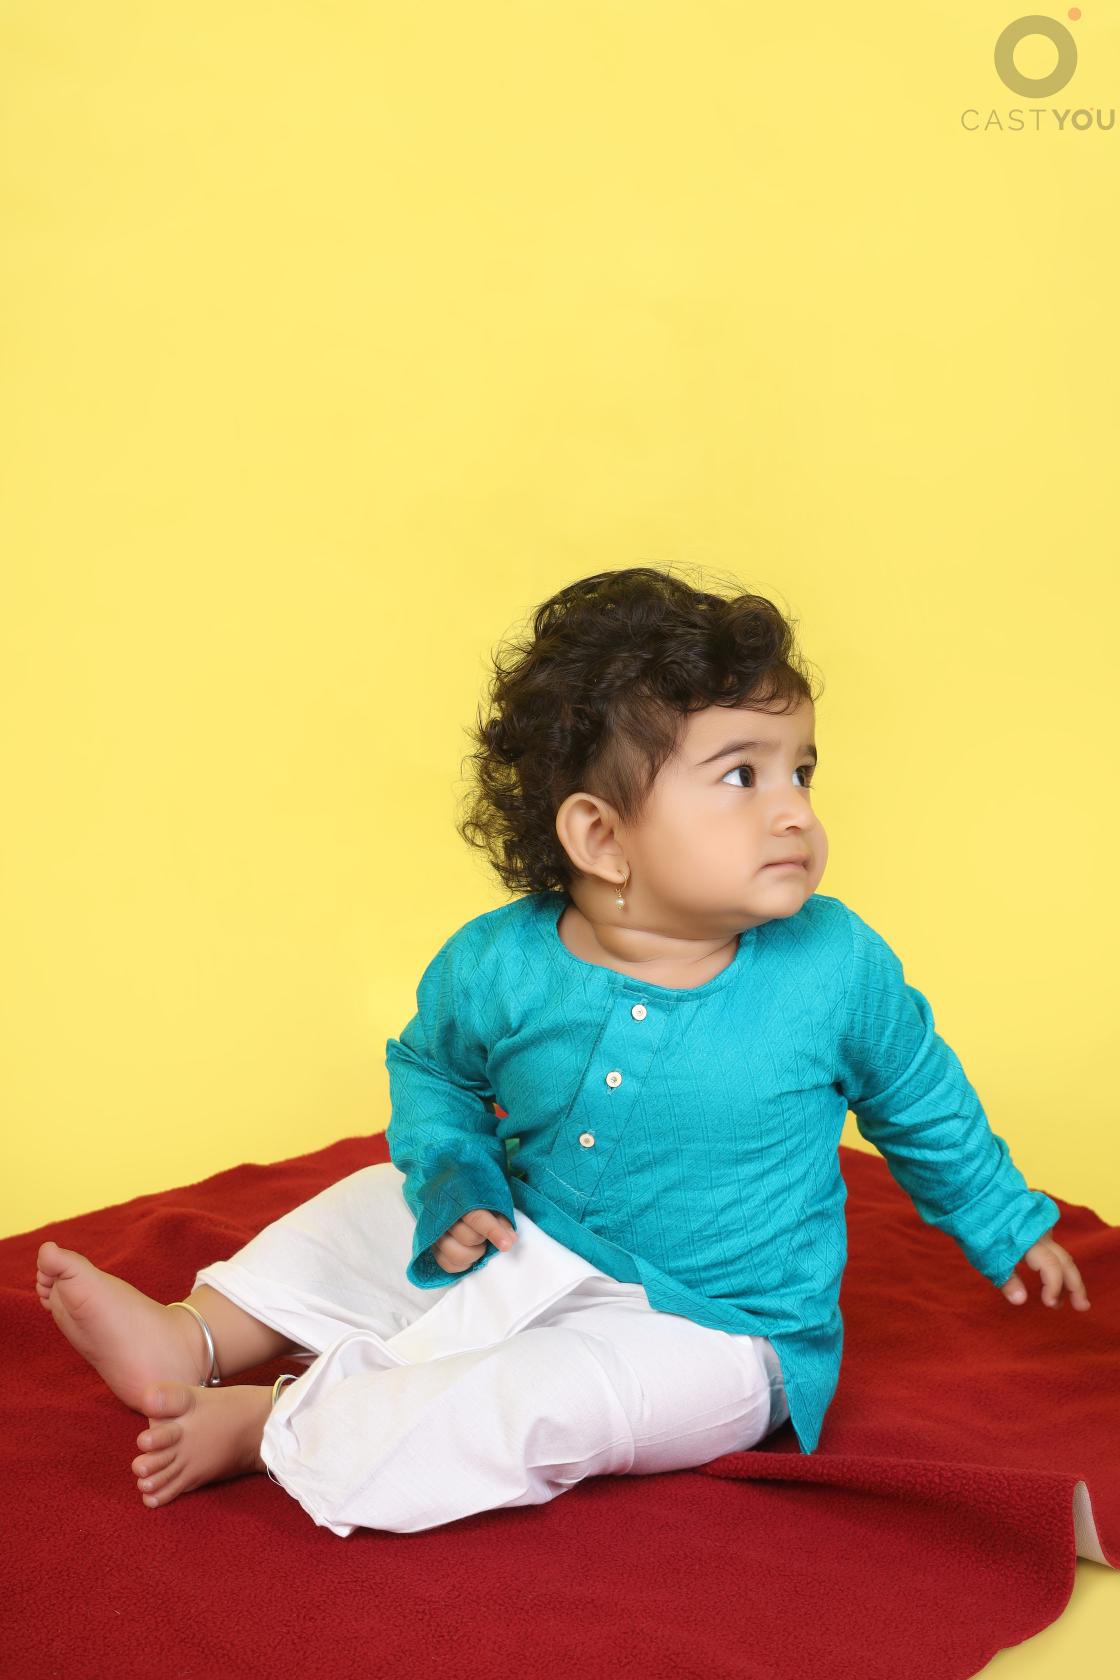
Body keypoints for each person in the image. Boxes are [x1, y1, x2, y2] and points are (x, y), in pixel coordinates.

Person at [36, 565, 1091, 1536]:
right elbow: (434, 1073)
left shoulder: (835, 965)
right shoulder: (500, 963)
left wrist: (1003, 1223)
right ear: (599, 839)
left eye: (801, 772)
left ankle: (277, 1424)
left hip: (722, 1334)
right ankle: (195, 1336)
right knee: (372, 1206)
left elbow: (919, 1096)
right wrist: (455, 1176)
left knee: (541, 1399)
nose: (793, 812)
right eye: (742, 775)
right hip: (529, 1239)